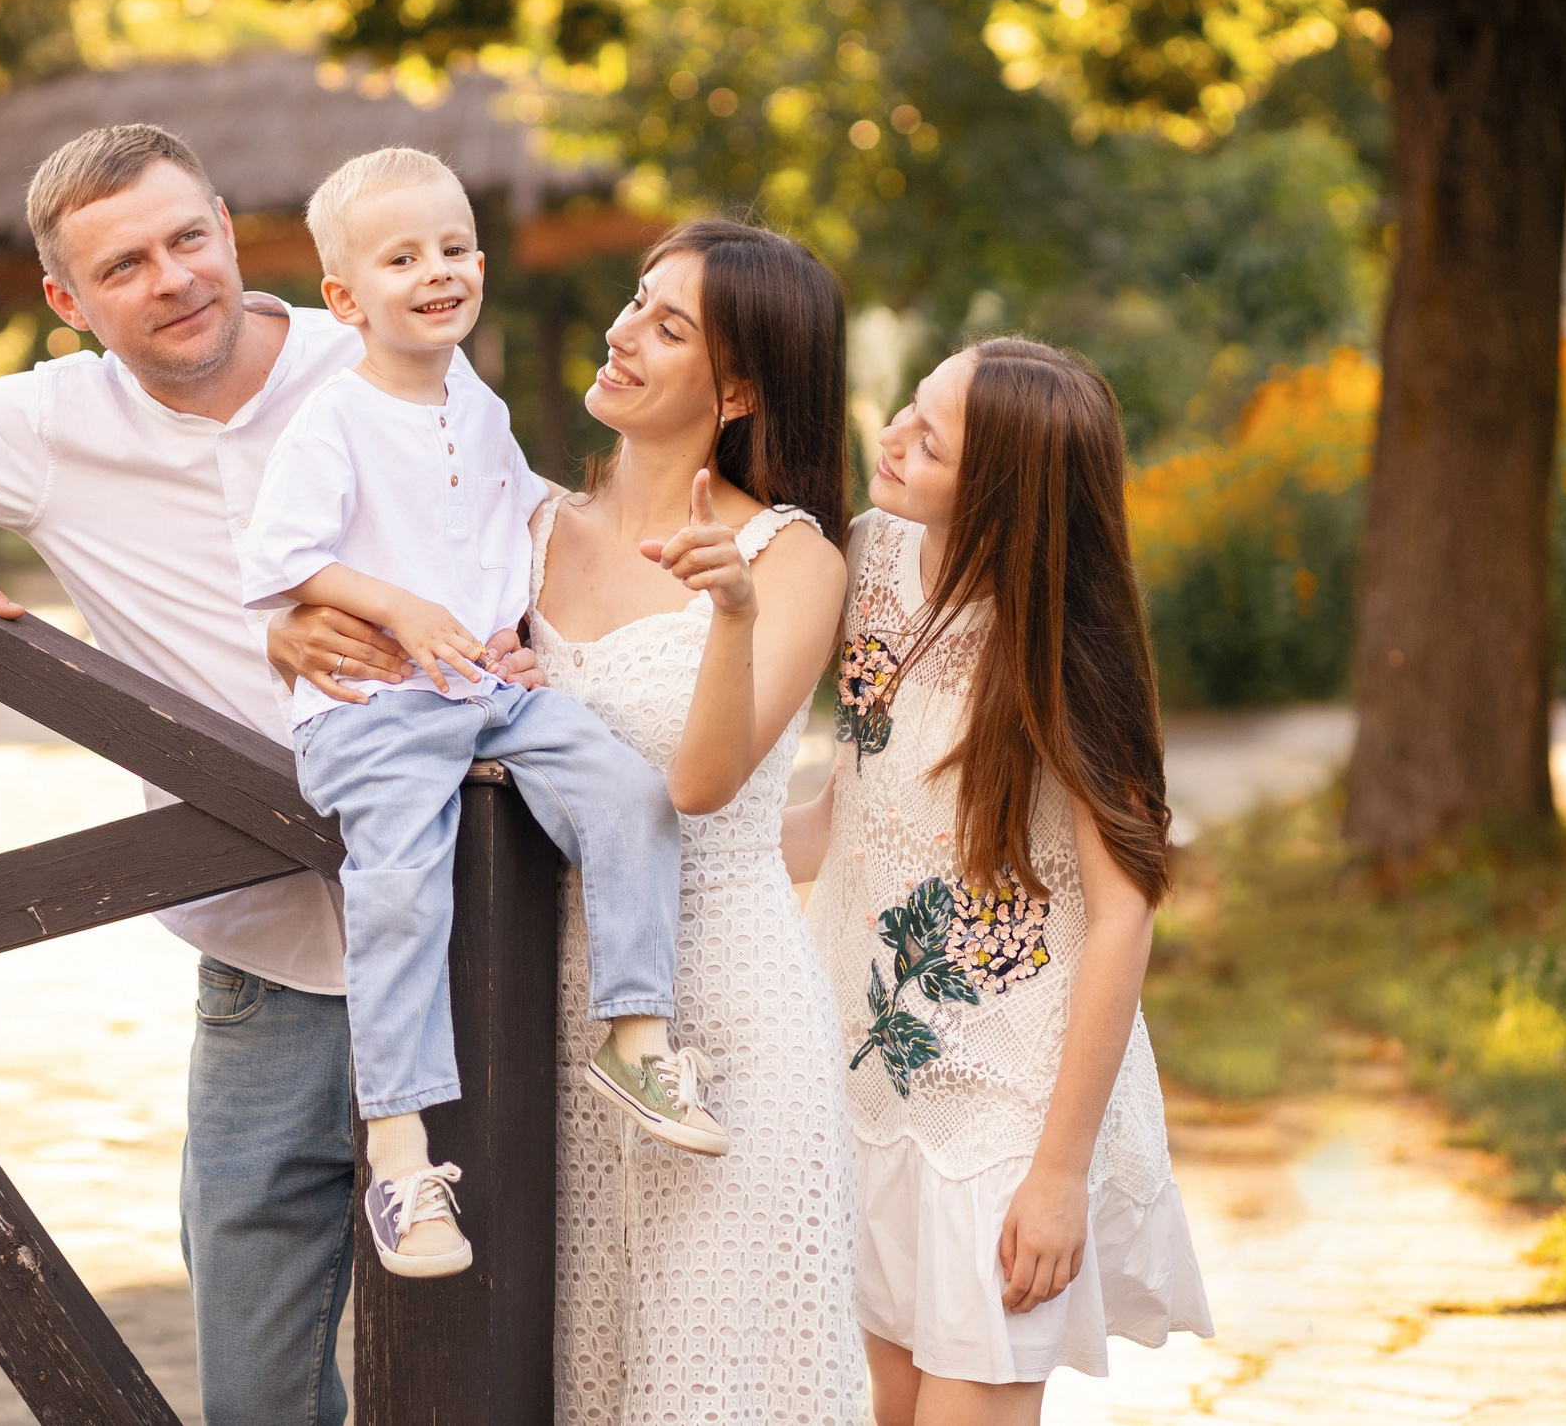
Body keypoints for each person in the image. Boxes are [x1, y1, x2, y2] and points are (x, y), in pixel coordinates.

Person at [0, 123, 534, 1426]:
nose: (170, 278)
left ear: (228, 228)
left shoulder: (382, 361)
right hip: (261, 950)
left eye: (185, 239)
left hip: (472, 926)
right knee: (255, 1371)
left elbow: (526, 517)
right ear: (68, 299)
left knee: (500, 1333)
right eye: (123, 266)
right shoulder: (52, 425)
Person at [238, 147, 722, 1279]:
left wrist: (509, 624)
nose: (436, 272)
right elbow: (280, 561)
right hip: (375, 709)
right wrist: (400, 609)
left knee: (625, 791)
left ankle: (639, 1037)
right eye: (401, 259)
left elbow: (508, 529)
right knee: (402, 896)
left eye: (453, 249)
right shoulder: (333, 421)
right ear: (346, 299)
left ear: (481, 264)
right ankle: (402, 1162)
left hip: (485, 693)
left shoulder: (480, 405)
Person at [785, 338, 1213, 1426]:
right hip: (871, 1072)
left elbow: (1122, 916)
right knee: (885, 1407)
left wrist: (1058, 1174)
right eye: (910, 409)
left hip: (1011, 1110)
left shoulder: (1067, 652)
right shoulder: (867, 561)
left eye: (929, 440)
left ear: (1001, 494)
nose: (889, 439)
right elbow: (856, 804)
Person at [528, 216, 869, 1423]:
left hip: (726, 1003)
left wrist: (728, 617)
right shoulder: (520, 529)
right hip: (547, 998)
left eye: (666, 328)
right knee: (582, 1367)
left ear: (734, 389)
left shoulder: (790, 559)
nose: (622, 333)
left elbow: (701, 783)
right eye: (635, 302)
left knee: (717, 1375)